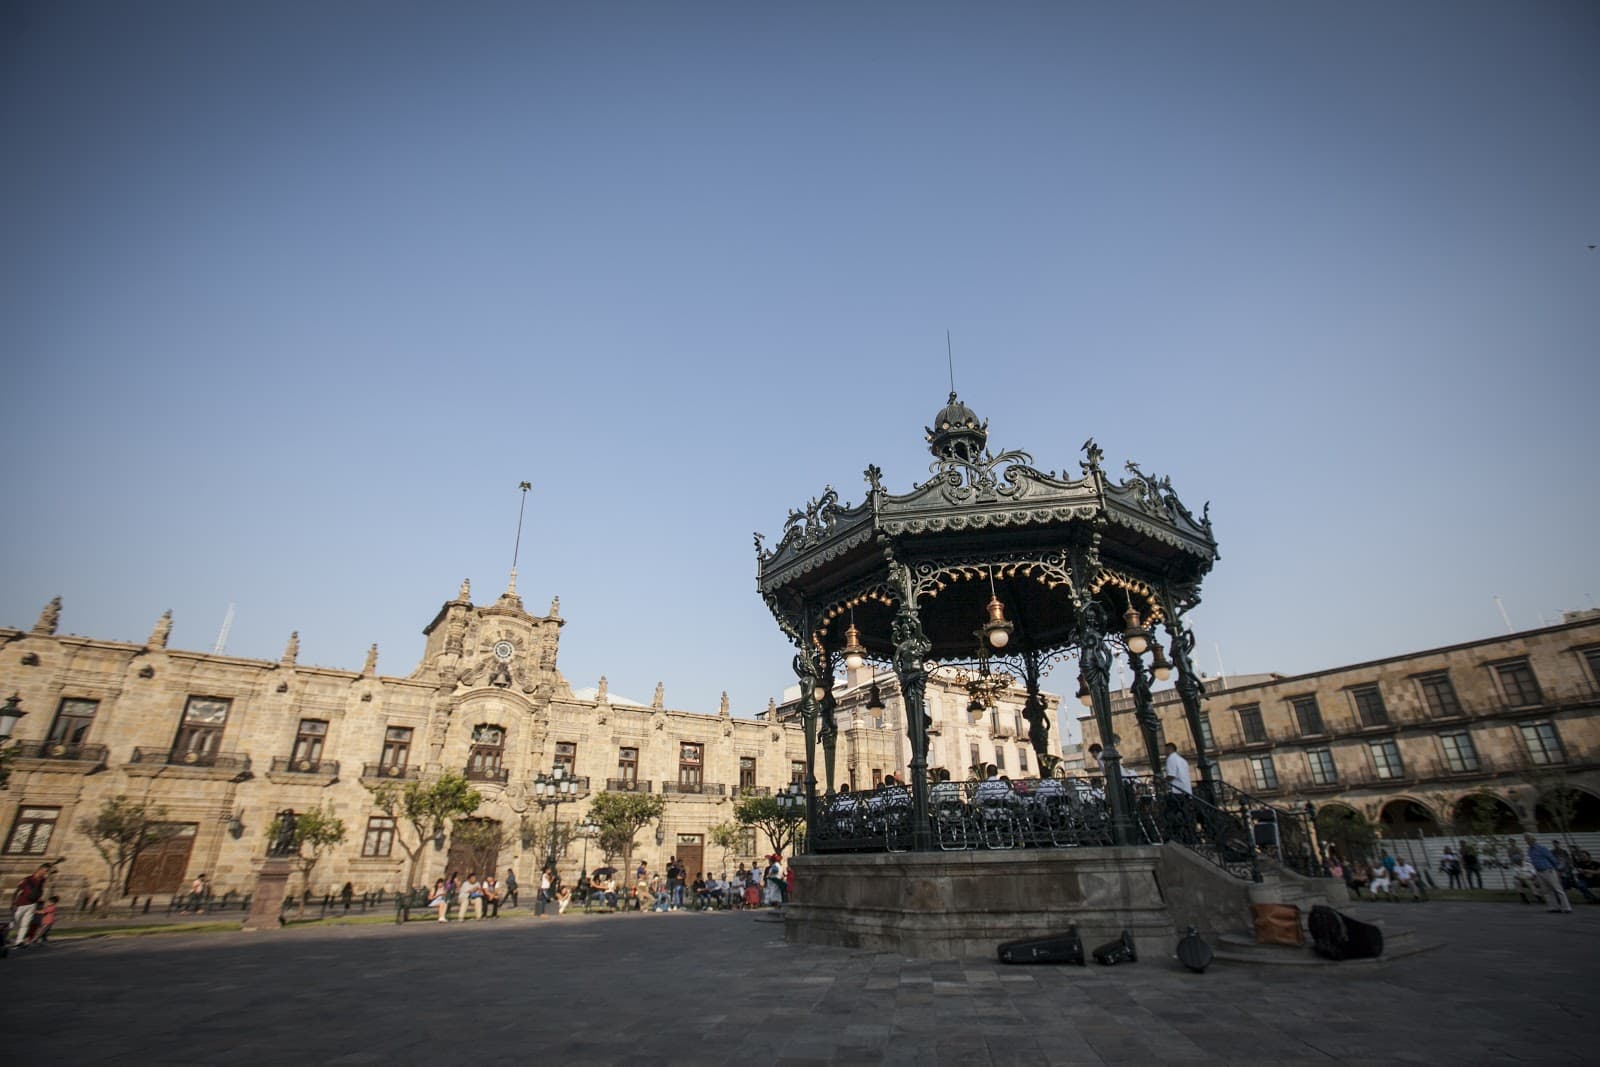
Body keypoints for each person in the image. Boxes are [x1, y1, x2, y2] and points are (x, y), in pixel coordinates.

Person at [1526, 835, 1573, 913]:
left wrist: (1557, 868)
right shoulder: (1530, 850)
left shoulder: (1541, 848)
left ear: (1533, 839)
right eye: (1526, 839)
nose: (1527, 841)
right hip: (1539, 871)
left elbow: (1551, 858)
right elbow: (1533, 861)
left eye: (1528, 839)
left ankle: (1566, 907)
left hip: (1548, 870)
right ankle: (1553, 907)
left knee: (1558, 889)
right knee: (1546, 890)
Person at [11, 864, 48, 948]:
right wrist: (13, 903)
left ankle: (19, 942)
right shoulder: (27, 880)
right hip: (21, 903)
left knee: (25, 924)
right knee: (13, 923)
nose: (45, 873)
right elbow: (17, 891)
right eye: (45, 871)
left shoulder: (42, 880)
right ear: (40, 870)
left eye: (46, 872)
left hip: (32, 904)